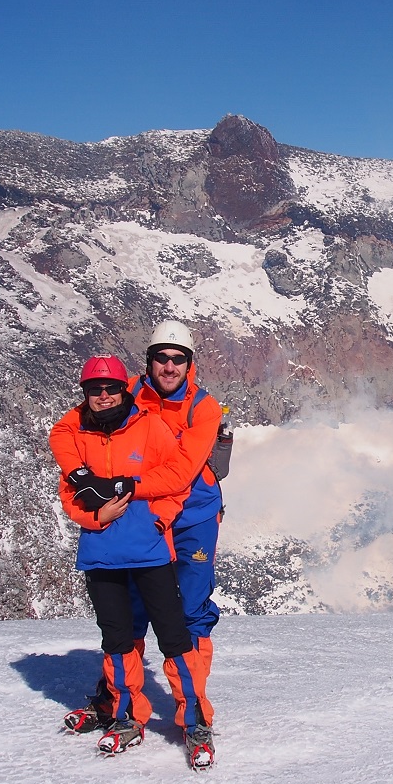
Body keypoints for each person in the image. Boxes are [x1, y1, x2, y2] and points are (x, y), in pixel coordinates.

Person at [47, 355, 216, 768]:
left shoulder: (149, 426)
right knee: (118, 638)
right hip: (101, 555)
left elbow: (177, 478)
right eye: (94, 389)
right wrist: (93, 516)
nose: (103, 396)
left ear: (126, 388)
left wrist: (159, 521)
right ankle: (126, 715)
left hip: (149, 551)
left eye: (111, 388)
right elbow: (69, 493)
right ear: (85, 394)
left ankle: (194, 718)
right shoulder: (79, 434)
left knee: (174, 637)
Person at [127, 321, 224, 755]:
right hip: (144, 516)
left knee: (191, 611)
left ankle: (194, 711)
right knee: (131, 608)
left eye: (177, 358)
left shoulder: (204, 408)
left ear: (190, 364)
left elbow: (184, 473)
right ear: (149, 360)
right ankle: (121, 698)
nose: (169, 366)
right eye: (161, 357)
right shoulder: (124, 394)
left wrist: (126, 489)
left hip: (193, 518)